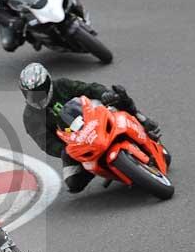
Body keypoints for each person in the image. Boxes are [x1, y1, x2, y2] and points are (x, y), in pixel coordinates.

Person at [18, 62, 163, 193]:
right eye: (30, 94)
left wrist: (104, 94)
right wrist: (64, 150)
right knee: (73, 184)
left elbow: (89, 89)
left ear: (48, 83)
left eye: (40, 91)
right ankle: (103, 168)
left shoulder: (61, 85)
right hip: (74, 144)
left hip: (93, 120)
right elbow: (46, 143)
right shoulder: (30, 117)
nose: (35, 97)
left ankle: (142, 120)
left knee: (117, 95)